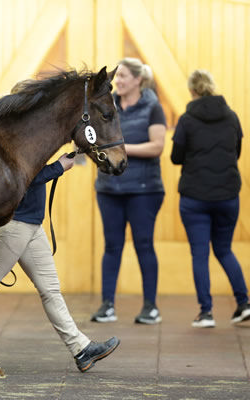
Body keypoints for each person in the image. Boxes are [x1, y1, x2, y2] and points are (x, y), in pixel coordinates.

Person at [0, 79, 120, 375]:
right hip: (15, 224)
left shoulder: (31, 138)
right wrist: (59, 168)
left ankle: (80, 348)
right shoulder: (12, 140)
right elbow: (23, 178)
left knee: (50, 290)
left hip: (31, 225)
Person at [171, 69, 250, 328]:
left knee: (200, 253)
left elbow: (175, 157)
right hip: (228, 195)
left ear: (192, 91)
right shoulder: (231, 117)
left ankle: (206, 313)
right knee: (224, 249)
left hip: (195, 197)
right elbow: (235, 152)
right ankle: (244, 304)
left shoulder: (187, 119)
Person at [91, 58, 166, 325]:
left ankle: (150, 307)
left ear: (137, 80)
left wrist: (119, 151)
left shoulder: (153, 107)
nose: (117, 81)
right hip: (109, 188)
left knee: (144, 245)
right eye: (117, 77)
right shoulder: (108, 106)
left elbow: (157, 146)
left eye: (122, 76)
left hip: (144, 190)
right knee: (112, 246)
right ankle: (107, 305)